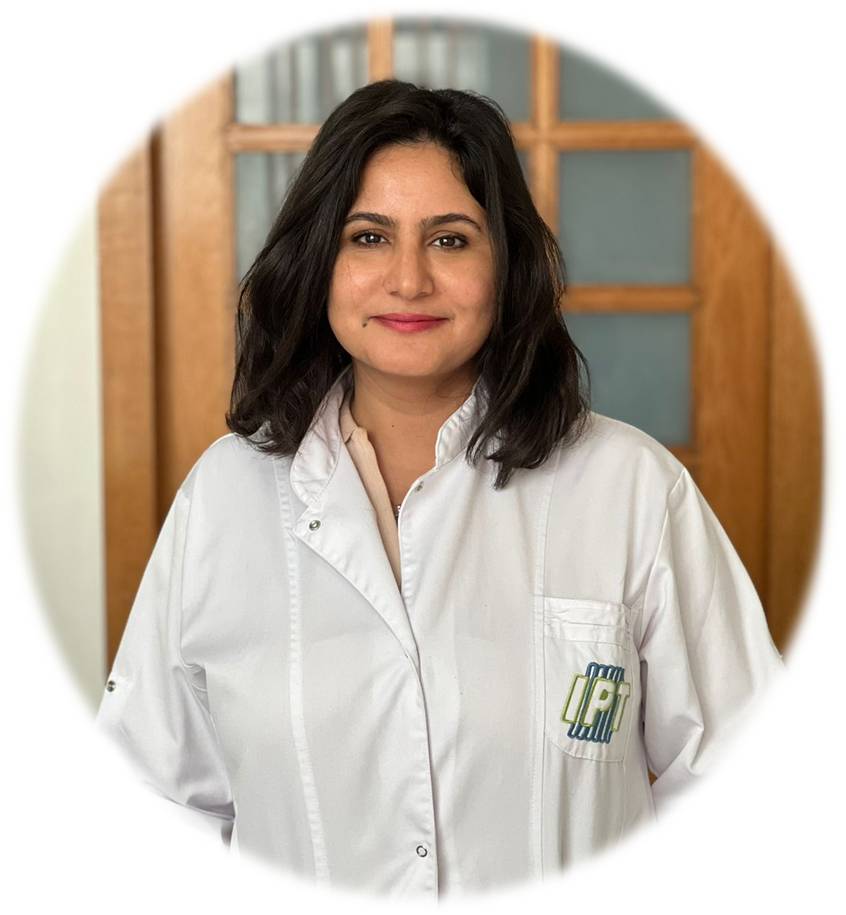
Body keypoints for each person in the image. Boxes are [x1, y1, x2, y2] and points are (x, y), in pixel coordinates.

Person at [95, 79, 784, 898]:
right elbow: (155, 804)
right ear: (318, 263)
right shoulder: (224, 497)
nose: (409, 280)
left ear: (506, 265)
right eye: (368, 236)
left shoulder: (631, 488)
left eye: (450, 240)